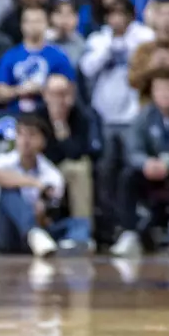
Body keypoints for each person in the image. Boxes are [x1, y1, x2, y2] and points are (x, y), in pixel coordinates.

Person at [110, 73, 169, 257]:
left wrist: (168, 165)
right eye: (160, 89)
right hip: (152, 171)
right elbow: (133, 150)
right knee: (127, 176)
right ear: (152, 93)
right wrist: (146, 163)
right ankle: (129, 232)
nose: (165, 94)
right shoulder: (144, 115)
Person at [80, 0, 154, 225]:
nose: (117, 19)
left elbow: (148, 68)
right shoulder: (98, 39)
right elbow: (87, 68)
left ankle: (139, 218)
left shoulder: (144, 36)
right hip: (105, 116)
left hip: (135, 115)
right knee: (106, 170)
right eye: (112, 14)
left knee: (132, 169)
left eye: (121, 14)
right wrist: (110, 49)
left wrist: (128, 49)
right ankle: (111, 222)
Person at [0, 115, 79, 257]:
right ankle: (33, 232)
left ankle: (37, 233)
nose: (25, 141)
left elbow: (49, 212)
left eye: (31, 135)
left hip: (36, 239)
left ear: (43, 141)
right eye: (20, 134)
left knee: (71, 224)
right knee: (8, 190)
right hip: (3, 235)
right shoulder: (1, 162)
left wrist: (40, 212)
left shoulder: (52, 174)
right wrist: (34, 183)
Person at [40, 74, 100, 229]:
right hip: (39, 170)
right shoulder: (36, 117)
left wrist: (60, 126)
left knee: (80, 168)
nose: (59, 100)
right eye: (54, 94)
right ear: (45, 95)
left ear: (72, 95)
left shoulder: (81, 116)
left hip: (64, 168)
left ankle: (82, 230)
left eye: (64, 94)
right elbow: (40, 153)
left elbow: (77, 153)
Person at [0, 5, 75, 111]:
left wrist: (43, 89)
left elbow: (70, 94)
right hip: (16, 115)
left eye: (38, 21)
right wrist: (21, 90)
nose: (33, 26)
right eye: (29, 21)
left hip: (47, 116)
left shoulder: (58, 55)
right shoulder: (11, 55)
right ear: (22, 25)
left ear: (46, 24)